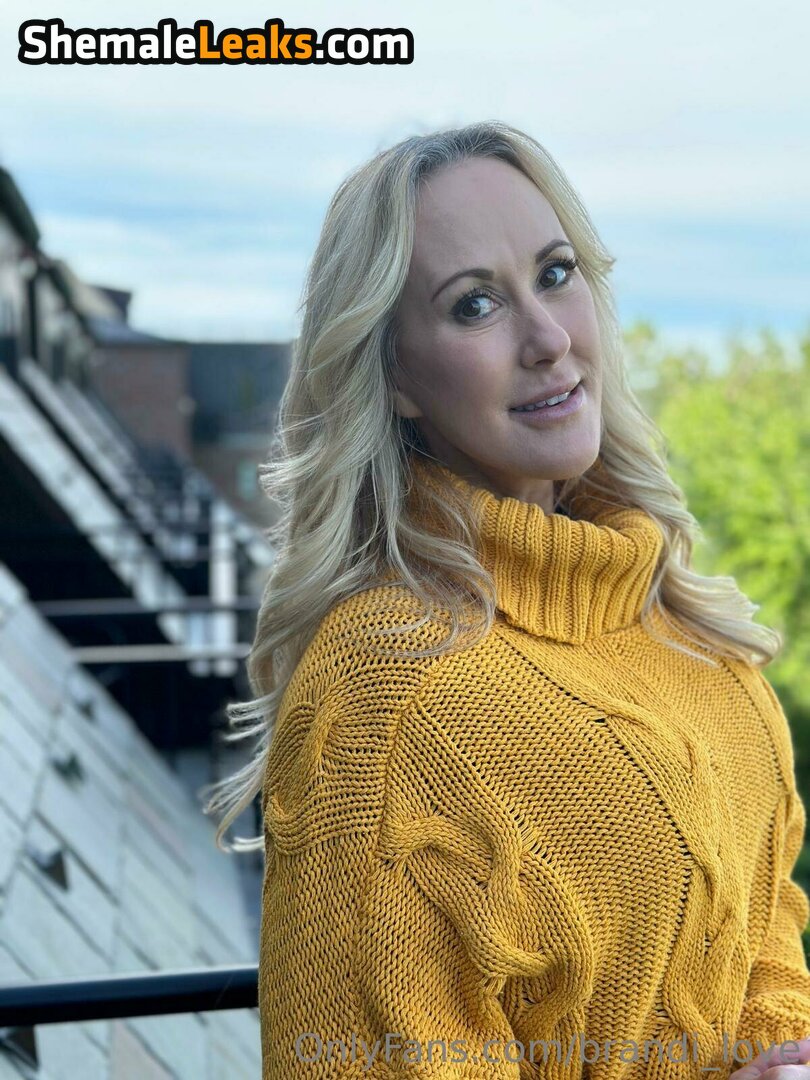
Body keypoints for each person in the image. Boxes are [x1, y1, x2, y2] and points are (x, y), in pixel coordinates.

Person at [203, 121, 810, 1077]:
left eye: (556, 274)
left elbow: (763, 933)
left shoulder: (679, 616)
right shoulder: (385, 694)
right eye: (475, 303)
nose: (548, 339)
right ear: (396, 376)